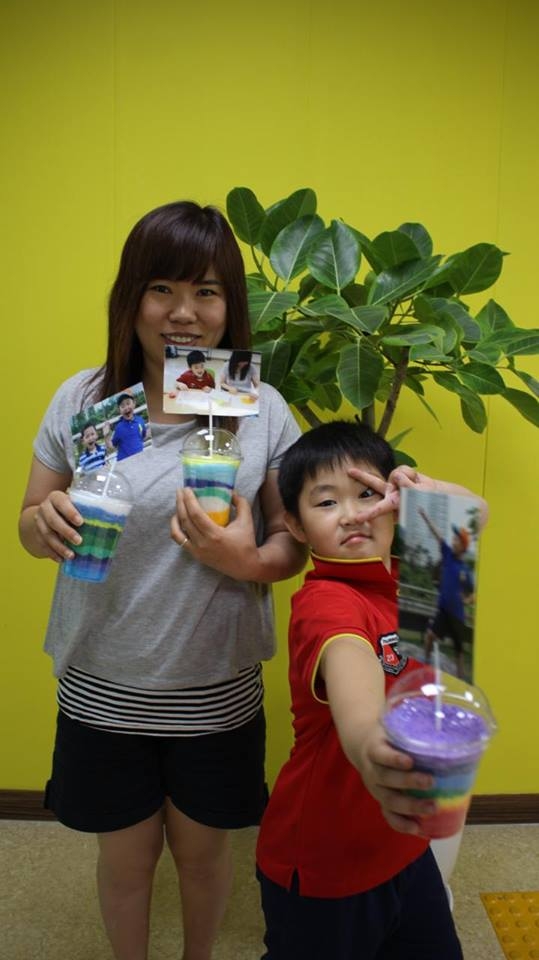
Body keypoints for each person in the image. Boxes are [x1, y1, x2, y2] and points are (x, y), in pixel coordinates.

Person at [18, 200, 306, 960]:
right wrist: (43, 523)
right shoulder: (85, 399)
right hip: (102, 680)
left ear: (229, 304)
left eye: (206, 291)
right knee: (126, 860)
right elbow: (28, 521)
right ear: (131, 298)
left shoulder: (259, 408)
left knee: (204, 858)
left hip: (214, 687)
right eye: (162, 289)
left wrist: (245, 561)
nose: (184, 313)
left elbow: (291, 543)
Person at [255, 419, 487, 960]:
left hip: (404, 843)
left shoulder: (417, 576)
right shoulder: (326, 601)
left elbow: (472, 513)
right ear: (295, 525)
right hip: (325, 862)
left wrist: (422, 491)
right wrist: (370, 748)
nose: (353, 514)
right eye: (326, 502)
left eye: (366, 494)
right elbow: (353, 683)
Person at [419, 508, 475, 679]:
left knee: (458, 651)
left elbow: (472, 593)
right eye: (454, 538)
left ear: (463, 546)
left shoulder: (465, 570)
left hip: (457, 616)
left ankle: (461, 678)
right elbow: (438, 535)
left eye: (456, 539)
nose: (453, 540)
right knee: (430, 636)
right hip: (443, 611)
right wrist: (426, 517)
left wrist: (466, 600)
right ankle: (425, 662)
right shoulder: (448, 554)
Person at [103, 391, 148, 461]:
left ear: (134, 403)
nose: (126, 408)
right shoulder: (119, 428)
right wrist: (106, 436)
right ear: (119, 410)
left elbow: (143, 436)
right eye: (122, 406)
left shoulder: (140, 420)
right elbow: (111, 447)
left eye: (128, 403)